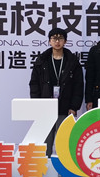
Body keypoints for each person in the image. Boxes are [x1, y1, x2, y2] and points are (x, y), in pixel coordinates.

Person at [29, 27, 84, 156]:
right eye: (54, 38)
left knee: (64, 143)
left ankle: (63, 167)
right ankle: (45, 166)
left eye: (60, 38)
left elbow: (78, 85)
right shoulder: (41, 60)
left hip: (65, 108)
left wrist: (74, 106)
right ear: (49, 41)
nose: (57, 41)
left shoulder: (72, 61)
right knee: (45, 143)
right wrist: (36, 104)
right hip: (45, 108)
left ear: (65, 41)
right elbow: (34, 84)